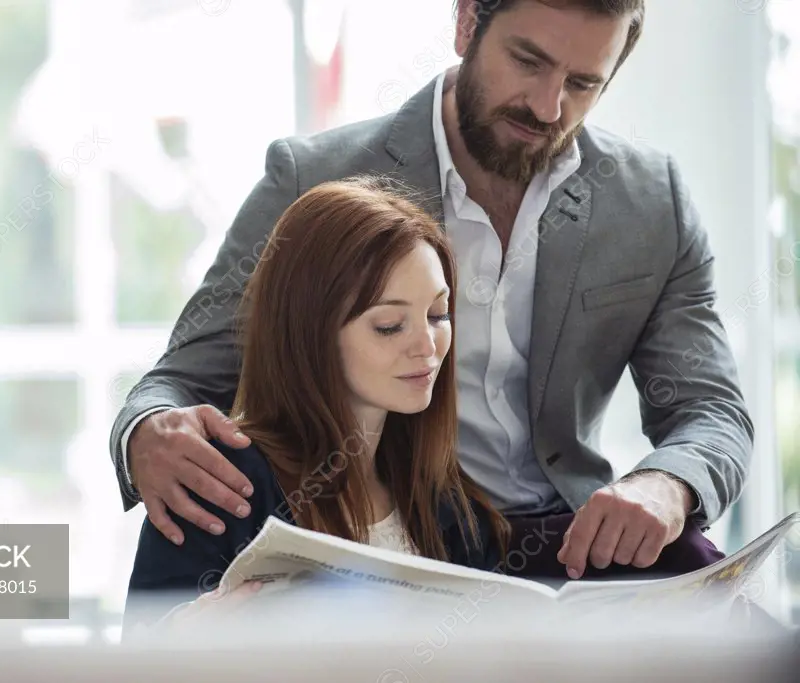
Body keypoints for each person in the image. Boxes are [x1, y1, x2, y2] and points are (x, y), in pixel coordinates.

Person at [111, 0, 753, 582]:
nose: (548, 105)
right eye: (527, 61)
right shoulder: (315, 179)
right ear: (467, 22)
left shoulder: (650, 200)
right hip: (396, 539)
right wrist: (143, 432)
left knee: (710, 590)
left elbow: (712, 410)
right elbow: (187, 376)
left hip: (570, 545)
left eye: (584, 83)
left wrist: (668, 485)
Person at [124, 178, 509, 629]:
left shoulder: (451, 510)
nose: (427, 346)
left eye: (438, 315)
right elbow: (138, 656)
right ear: (311, 333)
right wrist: (181, 643)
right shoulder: (219, 484)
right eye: (389, 325)